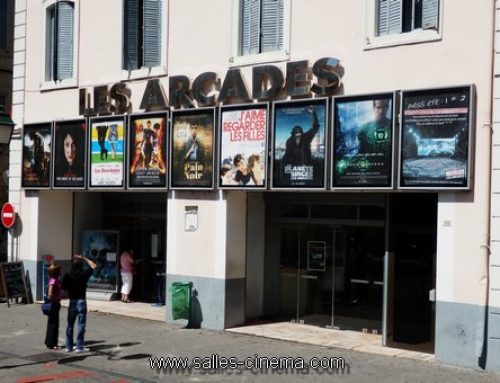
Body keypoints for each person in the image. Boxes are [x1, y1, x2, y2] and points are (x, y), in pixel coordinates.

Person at [61, 255, 97, 352]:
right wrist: (84, 258)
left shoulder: (67, 275)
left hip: (72, 300)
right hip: (81, 300)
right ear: (81, 266)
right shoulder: (84, 274)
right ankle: (79, 346)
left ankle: (68, 346)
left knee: (70, 325)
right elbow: (94, 266)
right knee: (81, 324)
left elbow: (63, 289)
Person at [44, 263, 62, 350]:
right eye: (59, 270)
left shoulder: (55, 279)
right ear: (56, 272)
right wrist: (56, 300)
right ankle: (52, 344)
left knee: (53, 323)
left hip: (55, 303)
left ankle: (50, 342)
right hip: (54, 304)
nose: (60, 271)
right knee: (53, 324)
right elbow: (50, 294)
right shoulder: (53, 280)